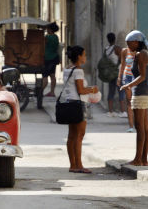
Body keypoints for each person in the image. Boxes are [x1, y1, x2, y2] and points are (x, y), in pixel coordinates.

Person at [62, 45, 98, 174]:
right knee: (79, 136)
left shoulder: (67, 70)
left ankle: (73, 165)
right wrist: (93, 89)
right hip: (79, 105)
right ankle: (79, 165)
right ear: (79, 56)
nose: (85, 57)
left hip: (69, 103)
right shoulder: (78, 71)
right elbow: (81, 90)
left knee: (71, 136)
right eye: (84, 55)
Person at [119, 30, 148, 166]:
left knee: (140, 127)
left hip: (139, 93)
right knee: (145, 127)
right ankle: (144, 159)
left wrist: (128, 85)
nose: (128, 46)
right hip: (143, 92)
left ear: (136, 42)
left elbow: (142, 76)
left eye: (129, 43)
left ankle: (138, 159)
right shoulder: (143, 53)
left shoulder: (141, 54)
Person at [117, 37, 137, 132]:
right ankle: (131, 126)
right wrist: (119, 77)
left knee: (137, 102)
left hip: (137, 78)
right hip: (127, 78)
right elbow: (122, 65)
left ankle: (138, 124)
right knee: (129, 102)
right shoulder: (125, 51)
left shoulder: (140, 51)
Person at [102, 33, 122, 116]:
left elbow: (104, 61)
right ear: (115, 39)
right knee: (121, 91)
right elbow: (121, 59)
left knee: (111, 92)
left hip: (110, 73)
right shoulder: (117, 48)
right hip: (117, 72)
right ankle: (123, 111)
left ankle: (110, 111)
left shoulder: (106, 49)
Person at [42, 22, 61, 97]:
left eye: (47, 28)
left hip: (47, 58)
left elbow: (42, 41)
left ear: (50, 29)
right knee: (52, 76)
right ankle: (52, 92)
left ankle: (40, 92)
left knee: (45, 76)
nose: (46, 30)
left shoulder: (48, 37)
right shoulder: (56, 37)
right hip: (54, 58)